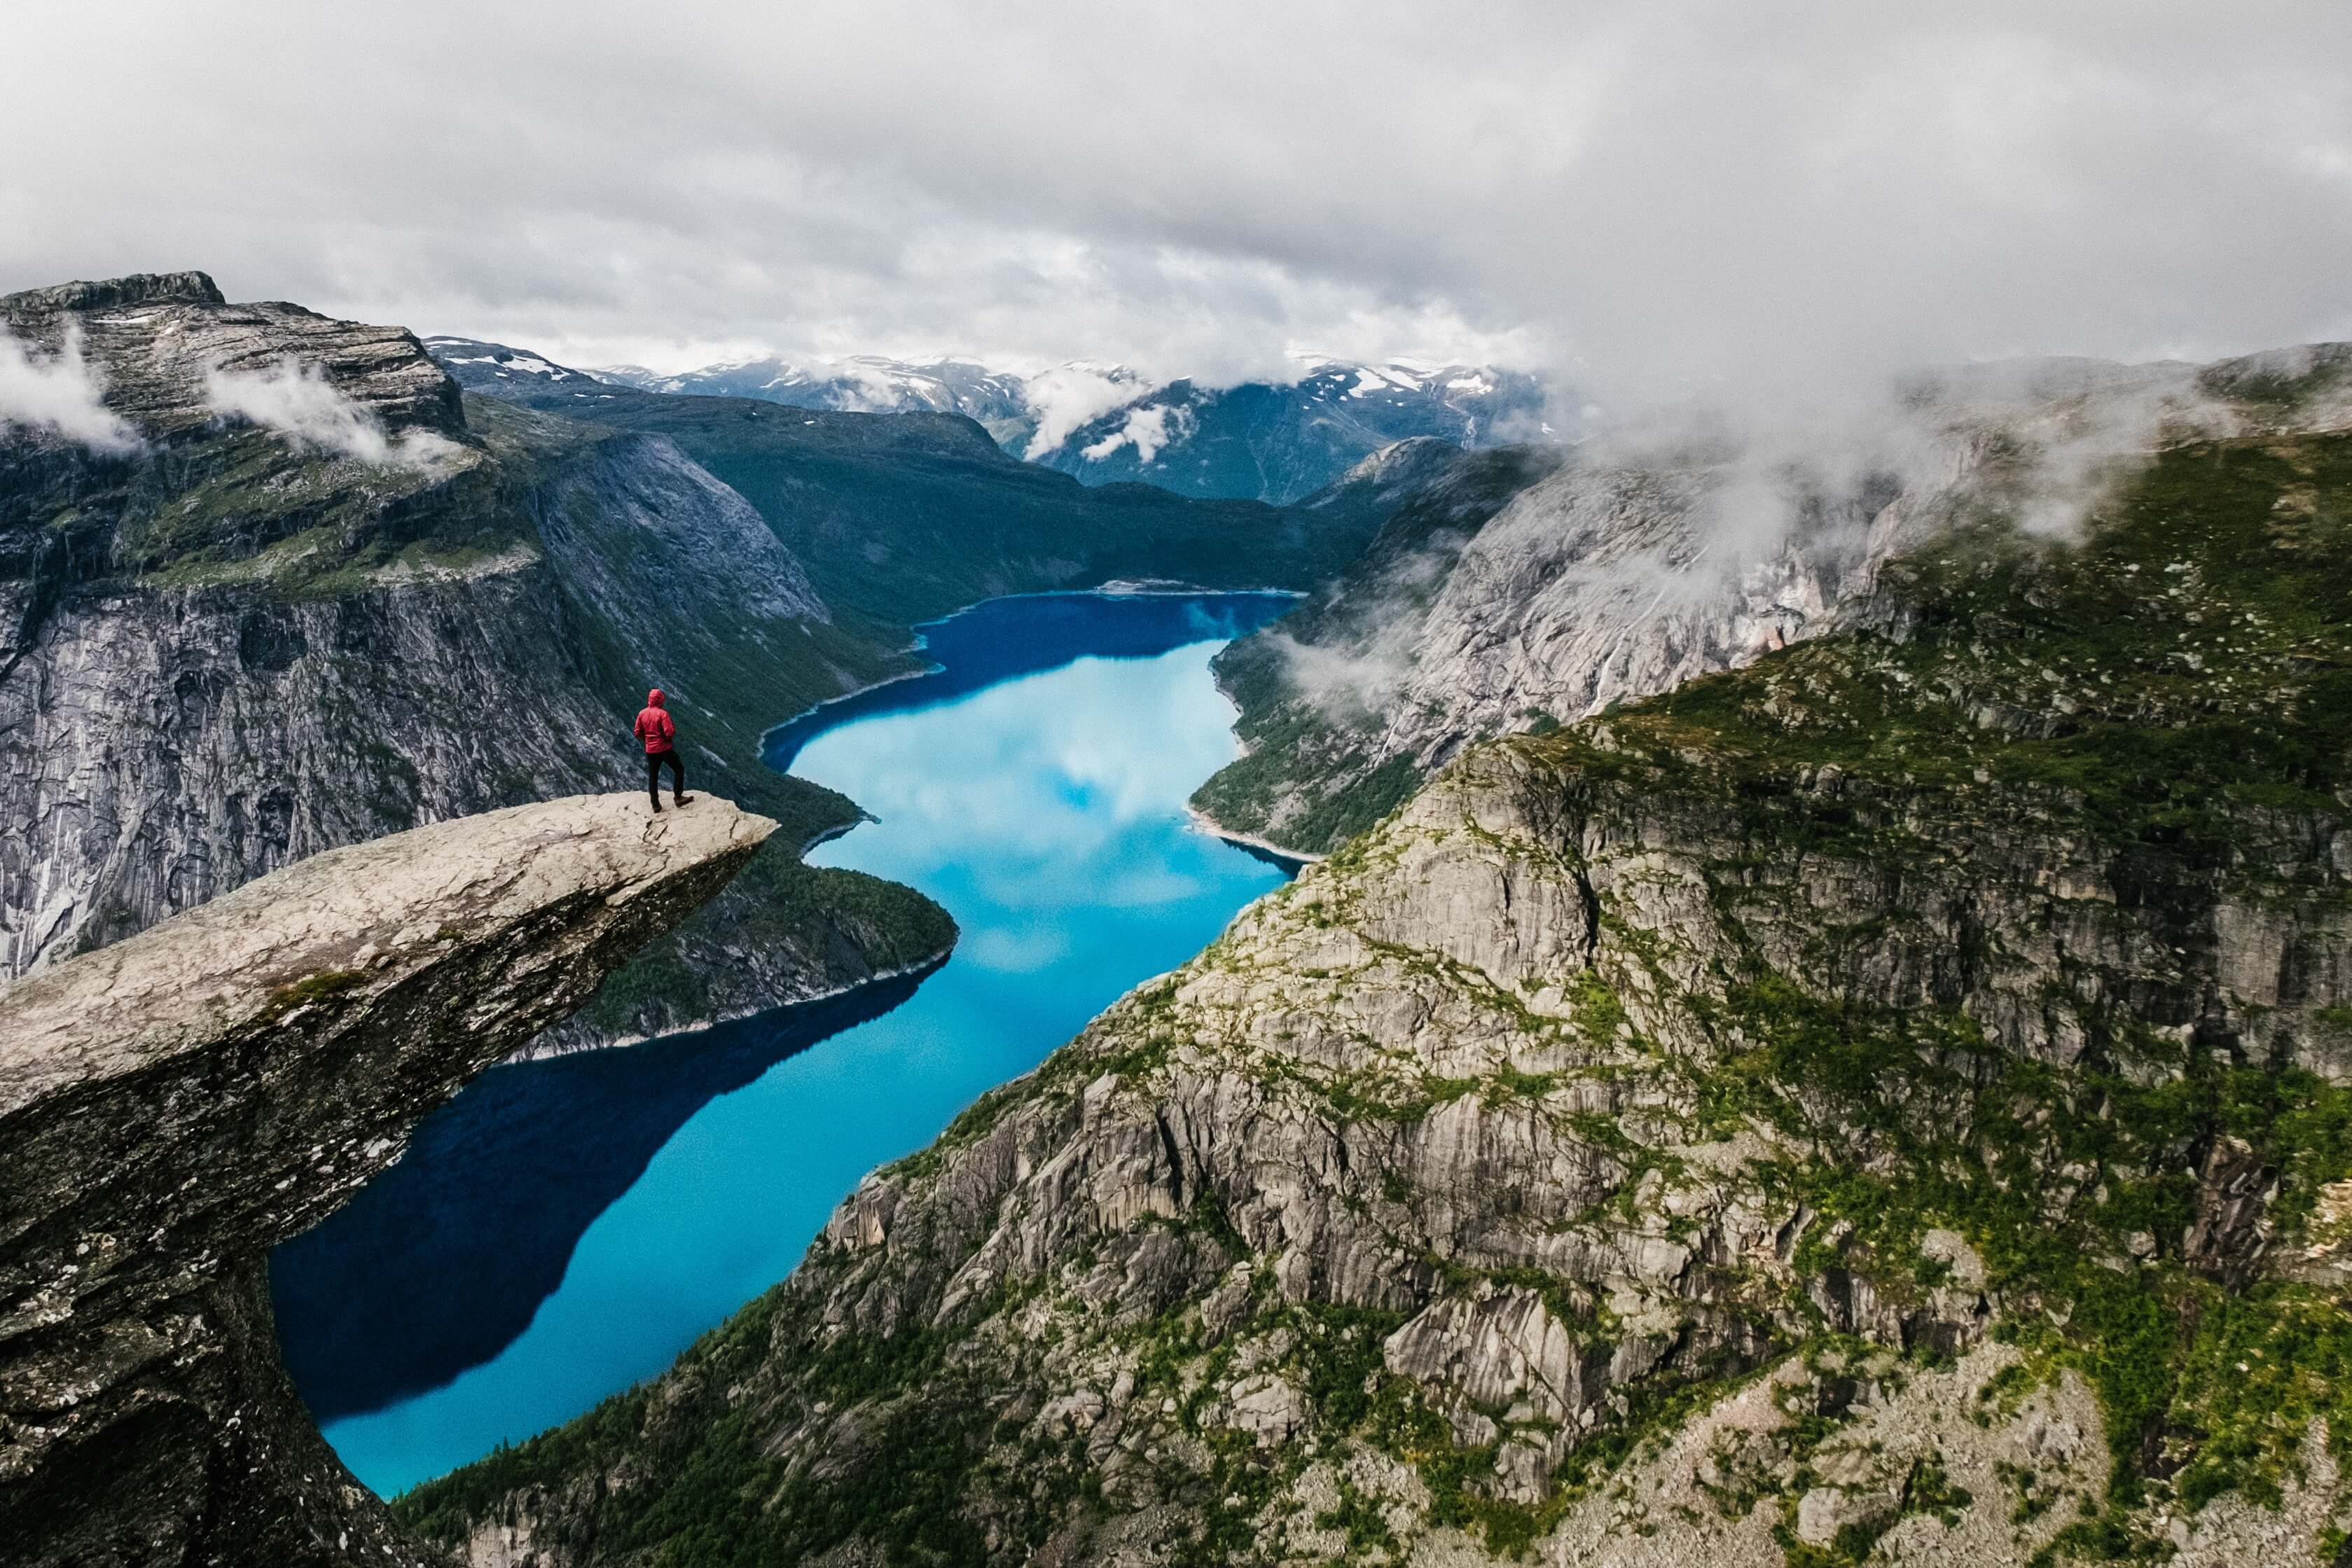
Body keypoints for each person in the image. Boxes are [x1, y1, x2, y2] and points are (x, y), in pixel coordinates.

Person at [633, 688, 693, 811]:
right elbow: (669, 732)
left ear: (649, 700)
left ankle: (655, 805)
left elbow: (637, 731)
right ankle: (678, 797)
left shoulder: (642, 713)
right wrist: (666, 739)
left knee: (653, 777)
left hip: (651, 750)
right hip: (665, 749)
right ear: (660, 700)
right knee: (679, 769)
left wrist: (647, 740)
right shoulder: (662, 714)